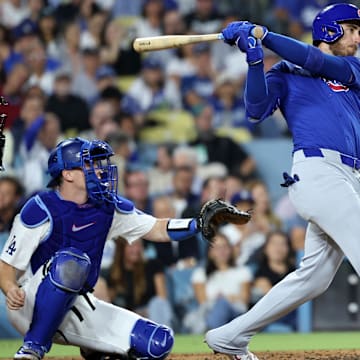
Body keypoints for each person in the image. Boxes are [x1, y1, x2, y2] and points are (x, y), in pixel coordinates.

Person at [205, 3, 360, 360]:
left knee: (314, 278)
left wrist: (265, 34)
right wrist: (256, 60)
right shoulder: (285, 72)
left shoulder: (351, 67)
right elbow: (256, 110)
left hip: (347, 177)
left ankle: (231, 335)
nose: (357, 36)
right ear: (331, 31)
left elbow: (317, 61)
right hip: (318, 173)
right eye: (351, 29)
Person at [0, 137, 207, 360]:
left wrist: (199, 224)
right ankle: (33, 347)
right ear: (67, 174)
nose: (99, 171)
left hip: (76, 304)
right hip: (31, 306)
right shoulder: (40, 208)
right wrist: (11, 288)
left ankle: (95, 350)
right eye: (88, 164)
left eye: (98, 164)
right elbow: (6, 267)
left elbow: (156, 228)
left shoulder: (107, 207)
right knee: (71, 262)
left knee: (158, 342)